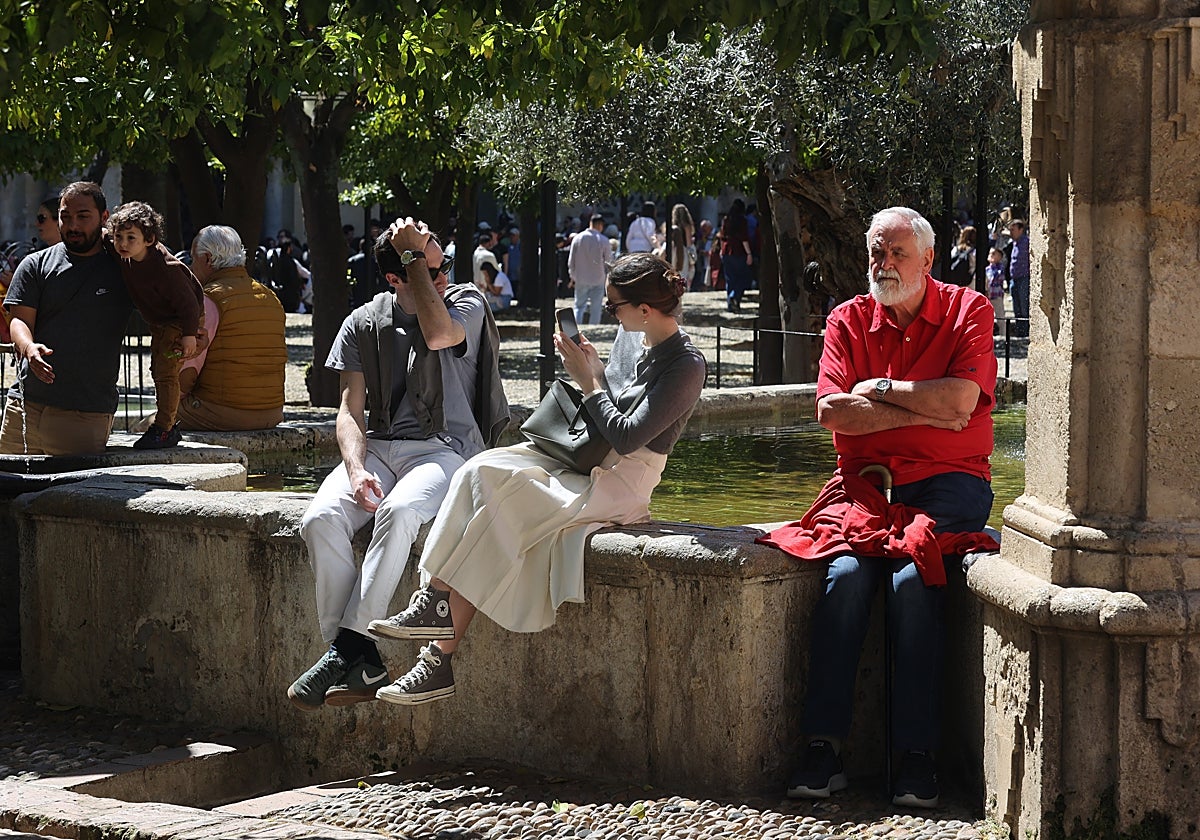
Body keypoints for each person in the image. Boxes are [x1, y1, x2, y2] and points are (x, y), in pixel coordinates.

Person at [366, 252, 706, 705]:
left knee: (510, 500)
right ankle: (435, 604)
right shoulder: (634, 339)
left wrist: (589, 383)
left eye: (613, 307)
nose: (608, 314)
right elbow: (617, 408)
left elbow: (628, 437)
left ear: (644, 310)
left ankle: (437, 657)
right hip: (586, 459)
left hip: (624, 480)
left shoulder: (687, 365)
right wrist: (597, 371)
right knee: (479, 470)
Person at [757, 207, 997, 809]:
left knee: (915, 581)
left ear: (927, 260)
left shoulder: (970, 311)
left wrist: (882, 391)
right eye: (876, 254)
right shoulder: (846, 319)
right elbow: (833, 414)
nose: (884, 265)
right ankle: (824, 746)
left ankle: (917, 755)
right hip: (863, 486)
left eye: (896, 254)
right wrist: (929, 410)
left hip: (951, 483)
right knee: (844, 577)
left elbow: (965, 398)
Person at [288, 218, 509, 711]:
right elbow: (349, 409)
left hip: (445, 449)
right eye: (433, 266)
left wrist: (415, 257)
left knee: (400, 511)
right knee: (319, 519)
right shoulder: (364, 322)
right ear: (396, 279)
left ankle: (344, 653)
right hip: (381, 449)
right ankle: (361, 654)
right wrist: (355, 468)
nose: (444, 274)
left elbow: (437, 335)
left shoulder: (467, 303)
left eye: (441, 263)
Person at [0, 182, 133, 456]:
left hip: (86, 412)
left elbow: (166, 290)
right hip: (23, 406)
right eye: (65, 216)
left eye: (83, 217)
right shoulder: (34, 264)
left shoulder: (126, 268)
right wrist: (28, 347)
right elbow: (19, 320)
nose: (73, 225)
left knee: (74, 497)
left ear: (104, 218)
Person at [170, 225, 288, 432]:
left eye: (192, 259)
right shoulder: (270, 297)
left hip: (221, 412)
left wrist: (170, 400)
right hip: (272, 411)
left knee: (148, 427)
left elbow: (188, 368)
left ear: (207, 259)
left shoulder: (208, 299)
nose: (191, 266)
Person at [107, 201, 206, 450]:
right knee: (159, 370)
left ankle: (164, 429)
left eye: (131, 238)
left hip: (180, 319)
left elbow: (189, 305)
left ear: (149, 239)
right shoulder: (124, 254)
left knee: (166, 372)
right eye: (119, 237)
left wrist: (189, 335)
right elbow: (102, 236)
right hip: (160, 320)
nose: (123, 243)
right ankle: (166, 425)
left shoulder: (166, 269)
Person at [568, 213, 611, 325]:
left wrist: (573, 276)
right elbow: (608, 261)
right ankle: (594, 326)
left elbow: (571, 260)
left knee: (579, 305)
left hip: (581, 277)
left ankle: (577, 326)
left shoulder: (578, 238)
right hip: (598, 277)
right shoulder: (604, 240)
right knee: (596, 307)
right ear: (600, 225)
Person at [720, 200, 753, 311]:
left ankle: (731, 304)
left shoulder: (726, 220)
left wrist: (721, 250)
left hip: (726, 251)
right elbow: (744, 238)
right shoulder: (742, 221)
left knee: (730, 279)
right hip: (739, 251)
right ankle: (734, 297)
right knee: (743, 278)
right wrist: (749, 254)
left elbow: (722, 236)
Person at [1007, 219, 1030, 338]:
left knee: (1024, 306)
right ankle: (1020, 331)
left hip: (1024, 277)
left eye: (1013, 230)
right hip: (1014, 278)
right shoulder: (1014, 243)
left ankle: (1026, 331)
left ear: (1021, 230)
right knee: (1017, 307)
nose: (1011, 232)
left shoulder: (1026, 242)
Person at [669, 203, 696, 286]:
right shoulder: (687, 226)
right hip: (683, 251)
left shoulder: (672, 226)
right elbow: (688, 244)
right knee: (682, 274)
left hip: (673, 250)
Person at [985, 246, 1006, 332]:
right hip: (988, 295)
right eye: (990, 253)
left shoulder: (1000, 268)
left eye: (993, 254)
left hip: (996, 295)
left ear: (999, 257)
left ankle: (1003, 334)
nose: (991, 255)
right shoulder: (987, 269)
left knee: (1000, 316)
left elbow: (995, 278)